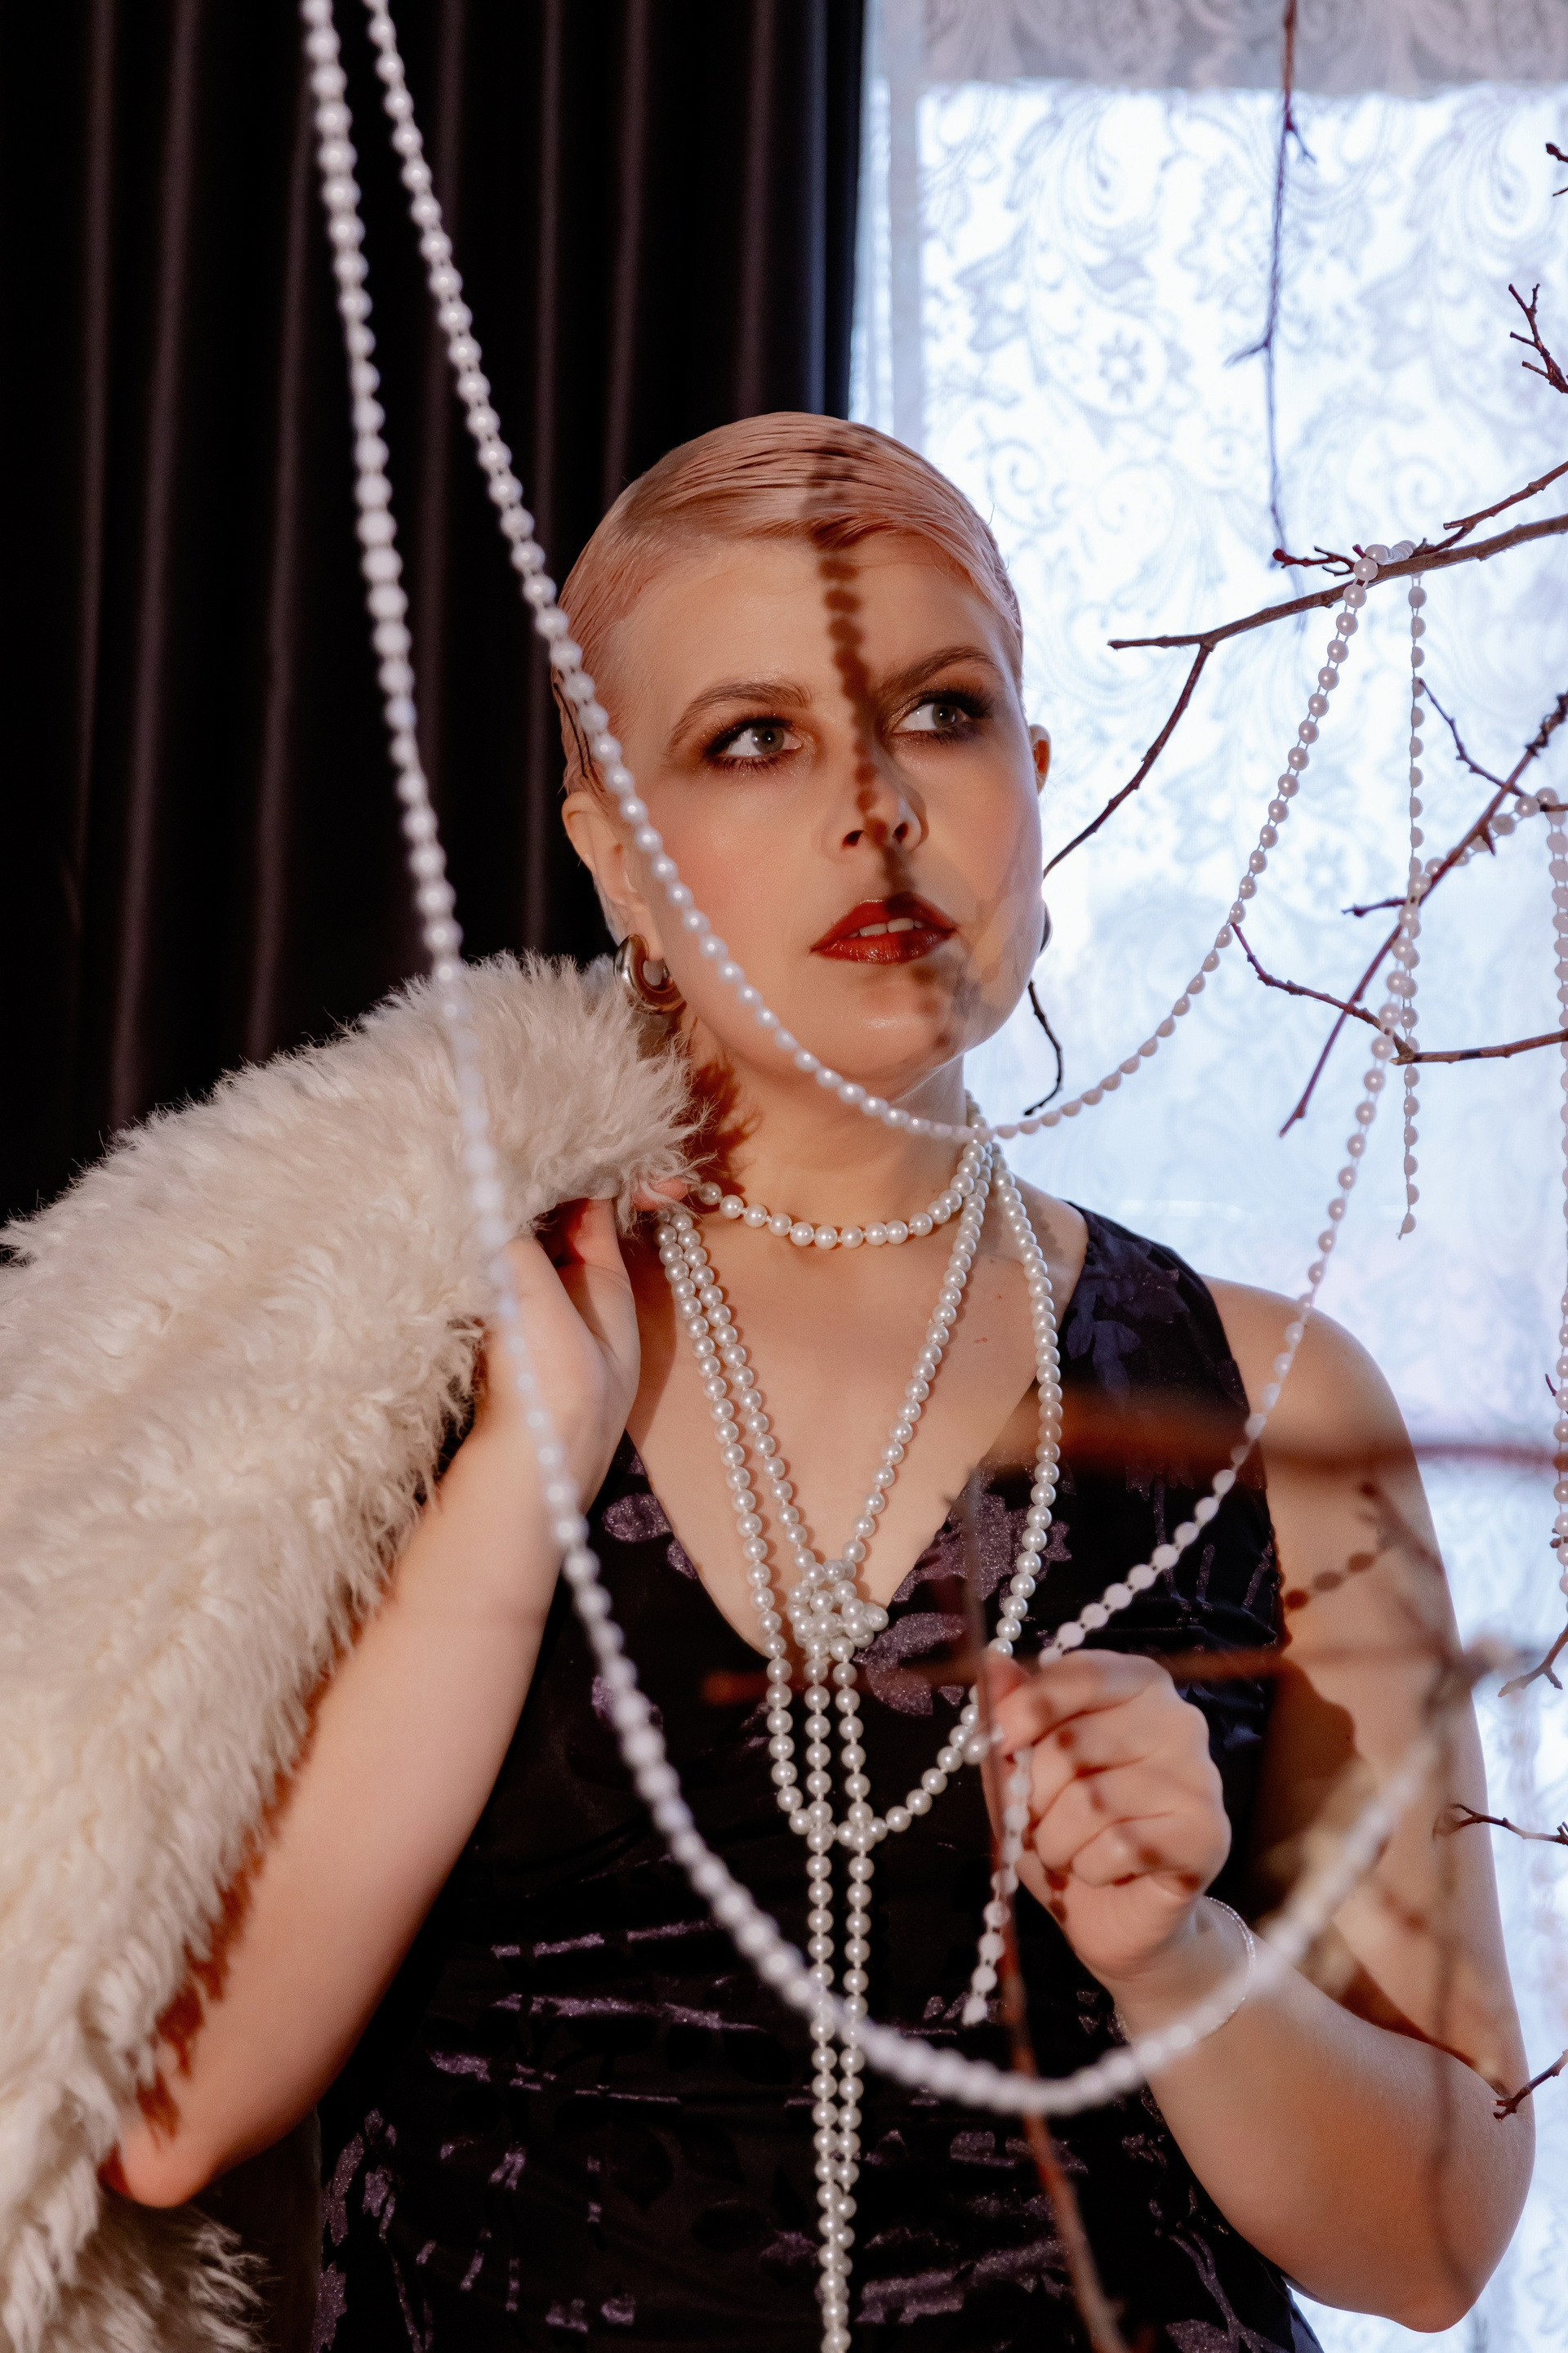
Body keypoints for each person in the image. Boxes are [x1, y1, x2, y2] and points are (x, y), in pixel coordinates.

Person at [109, 414, 1529, 2349]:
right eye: (754, 737)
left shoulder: (1276, 1403)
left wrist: (1177, 1957)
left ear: (1034, 782)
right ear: (614, 847)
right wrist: (520, 1483)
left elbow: (1437, 2247)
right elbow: (167, 2113)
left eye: (941, 713)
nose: (875, 804)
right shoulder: (399, 1345)